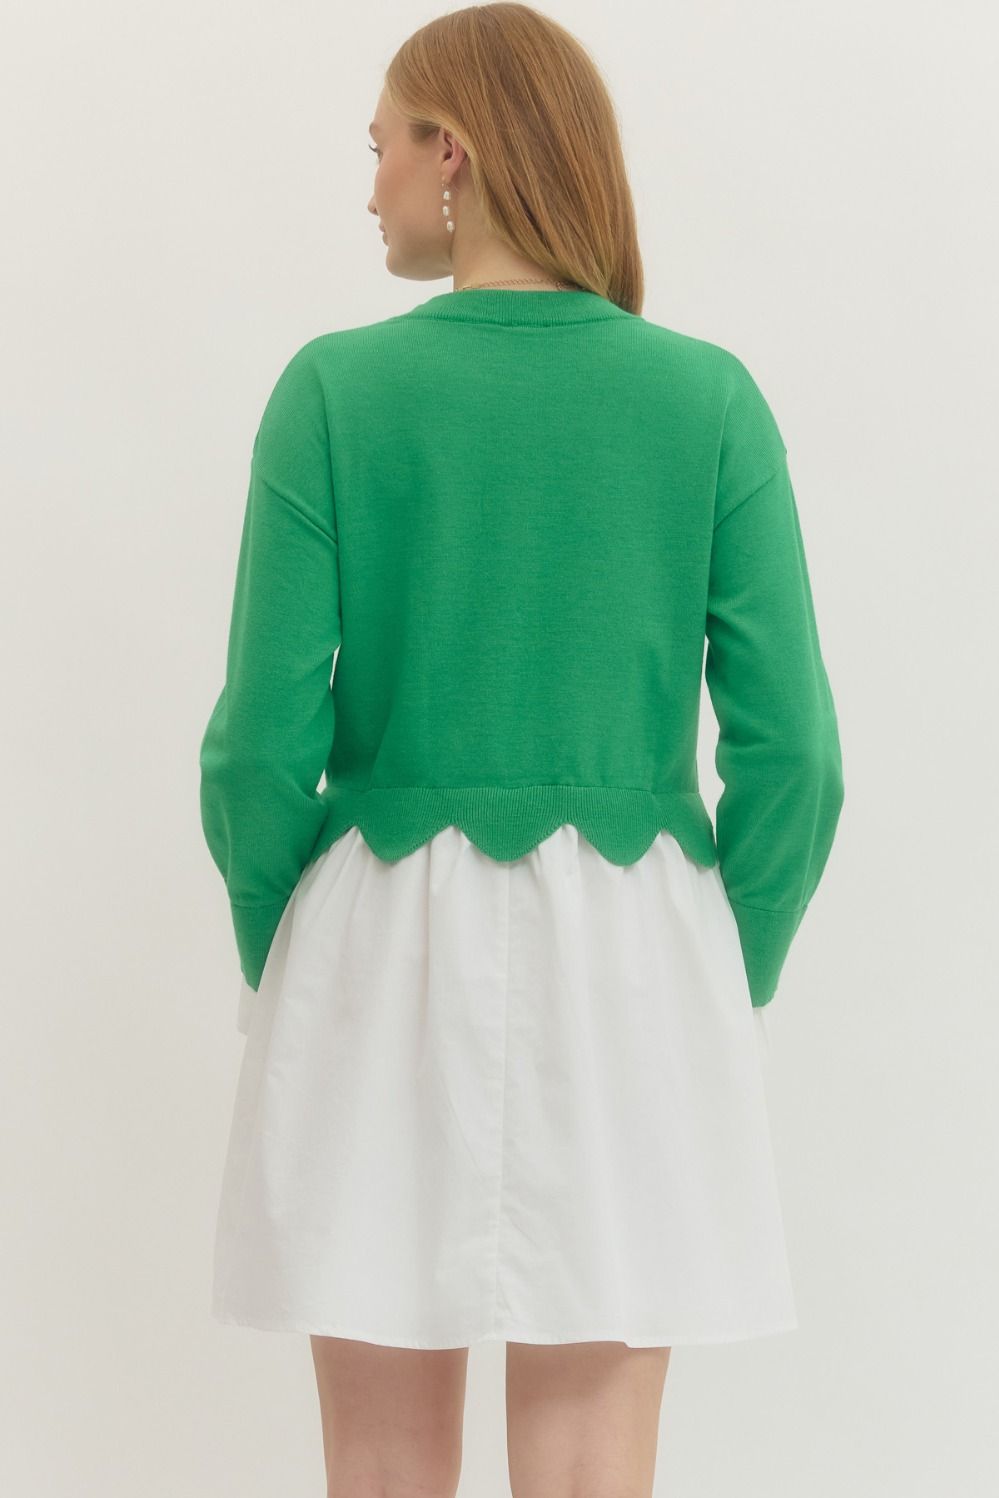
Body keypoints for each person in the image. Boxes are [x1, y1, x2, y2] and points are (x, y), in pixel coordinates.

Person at [198, 5, 845, 1495]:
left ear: (454, 154)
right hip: (633, 957)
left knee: (378, 1467)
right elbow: (797, 757)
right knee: (593, 1474)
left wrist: (286, 951)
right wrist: (717, 962)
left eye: (381, 144)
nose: (367, 183)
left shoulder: (333, 392)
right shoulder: (707, 398)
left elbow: (256, 752)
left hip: (376, 942)